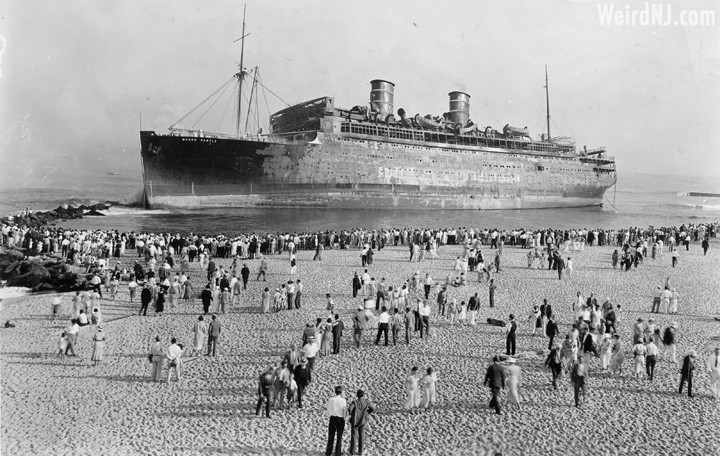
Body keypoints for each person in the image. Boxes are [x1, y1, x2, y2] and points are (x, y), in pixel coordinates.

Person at [347, 389, 375, 456]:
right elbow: (373, 409)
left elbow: (350, 409)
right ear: (363, 395)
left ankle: (352, 452)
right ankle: (360, 451)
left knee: (354, 436)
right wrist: (367, 413)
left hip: (355, 421)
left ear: (357, 395)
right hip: (363, 420)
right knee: (361, 436)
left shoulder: (355, 402)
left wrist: (351, 414)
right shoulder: (366, 402)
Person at [326, 385, 346, 456]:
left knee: (331, 436)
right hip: (340, 419)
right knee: (339, 437)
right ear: (341, 392)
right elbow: (344, 412)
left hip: (333, 418)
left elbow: (328, 409)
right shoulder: (343, 400)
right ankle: (337, 453)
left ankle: (328, 452)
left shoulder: (331, 399)